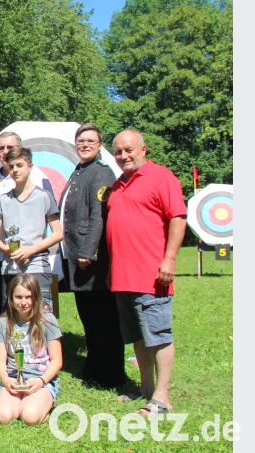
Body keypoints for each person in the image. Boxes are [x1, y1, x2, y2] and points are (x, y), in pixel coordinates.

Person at [106, 129, 187, 416]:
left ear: (143, 149)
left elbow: (177, 218)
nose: (123, 156)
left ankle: (162, 398)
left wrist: (170, 259)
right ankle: (145, 387)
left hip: (152, 275)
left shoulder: (161, 177)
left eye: (129, 150)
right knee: (137, 337)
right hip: (123, 276)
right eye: (118, 151)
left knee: (158, 334)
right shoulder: (117, 185)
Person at [59, 124, 126, 389]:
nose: (84, 145)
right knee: (89, 316)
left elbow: (100, 215)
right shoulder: (79, 171)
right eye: (81, 141)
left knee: (104, 317)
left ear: (100, 145)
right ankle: (95, 367)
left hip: (91, 259)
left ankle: (110, 374)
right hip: (76, 256)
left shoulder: (101, 172)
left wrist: (89, 251)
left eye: (90, 141)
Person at [0, 131, 53, 319]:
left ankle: (42, 348)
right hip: (3, 260)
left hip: (35, 261)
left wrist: (31, 250)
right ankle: (11, 348)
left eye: (9, 147)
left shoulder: (41, 187)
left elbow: (54, 229)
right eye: (0, 148)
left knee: (39, 313)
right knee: (7, 313)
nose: (15, 170)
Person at [0, 274, 63, 425]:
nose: (23, 302)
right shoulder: (1, 323)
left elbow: (57, 361)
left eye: (28, 297)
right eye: (18, 297)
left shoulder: (48, 320)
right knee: (2, 416)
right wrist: (6, 380)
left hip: (41, 379)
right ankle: (20, 403)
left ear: (36, 297)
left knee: (30, 416)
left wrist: (41, 381)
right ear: (10, 297)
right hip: (13, 379)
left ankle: (41, 405)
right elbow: (0, 362)